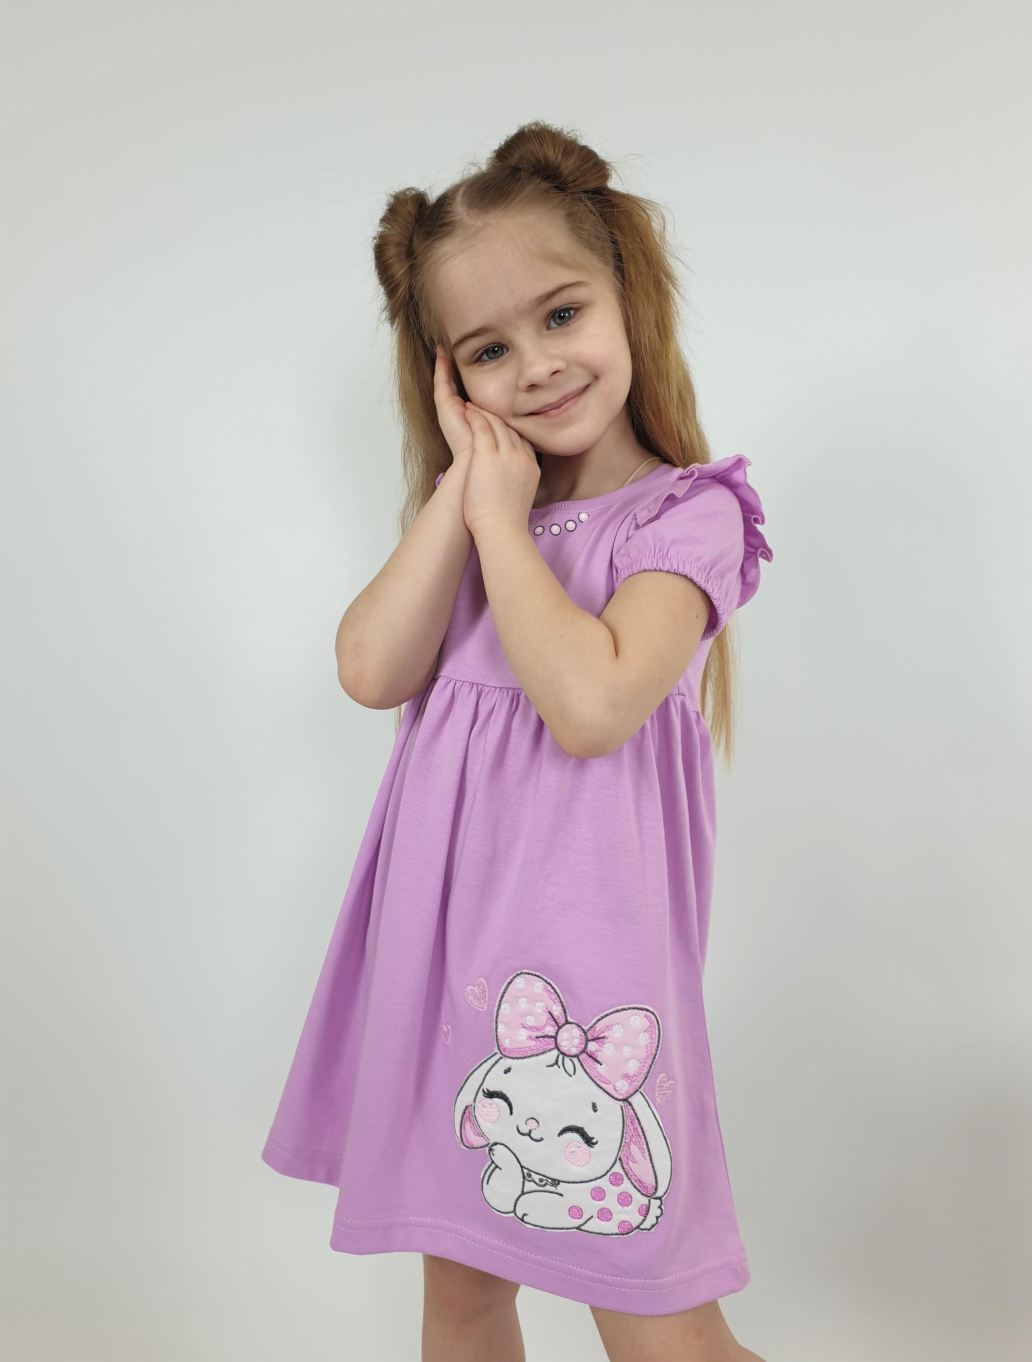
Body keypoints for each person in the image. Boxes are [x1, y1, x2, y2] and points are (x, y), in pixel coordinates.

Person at [261, 120, 774, 1362]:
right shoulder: (478, 522)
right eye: (488, 350)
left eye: (561, 315)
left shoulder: (687, 518)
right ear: (447, 378)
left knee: (659, 1330)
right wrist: (469, 492)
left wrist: (500, 526)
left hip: (590, 994)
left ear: (627, 296)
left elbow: (591, 704)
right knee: (461, 1300)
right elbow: (370, 667)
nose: (536, 366)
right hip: (452, 979)